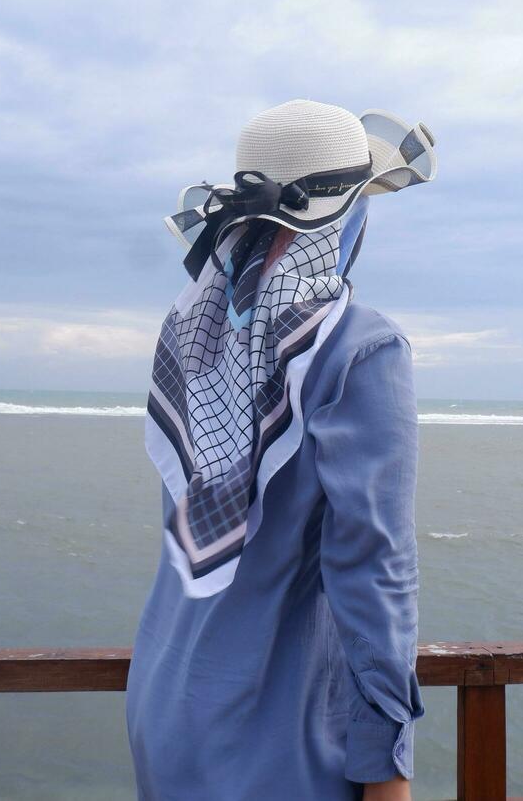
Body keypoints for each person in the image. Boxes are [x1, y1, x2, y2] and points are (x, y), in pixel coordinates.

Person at [126, 100, 436, 800]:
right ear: (348, 215)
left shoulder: (195, 335)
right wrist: (386, 762)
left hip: (164, 701)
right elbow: (374, 567)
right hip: (272, 726)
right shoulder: (360, 348)